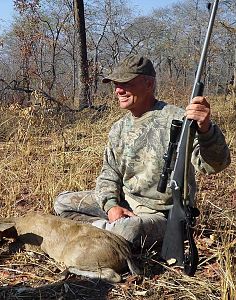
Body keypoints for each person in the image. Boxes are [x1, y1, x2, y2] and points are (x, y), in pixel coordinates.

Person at [54, 54, 231, 249]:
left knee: (127, 231)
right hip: (125, 203)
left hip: (160, 215)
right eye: (115, 84)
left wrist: (206, 129)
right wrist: (112, 206)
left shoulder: (181, 119)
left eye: (126, 83)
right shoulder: (118, 128)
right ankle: (106, 232)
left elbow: (215, 165)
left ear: (148, 84)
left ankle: (103, 235)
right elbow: (109, 173)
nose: (118, 90)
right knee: (63, 203)